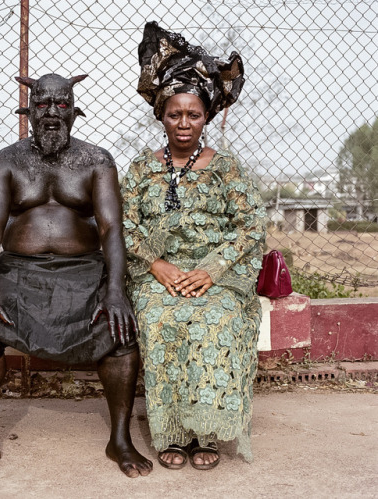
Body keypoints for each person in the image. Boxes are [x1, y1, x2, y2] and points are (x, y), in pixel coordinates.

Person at [0, 73, 153, 480]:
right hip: (18, 272)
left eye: (61, 105)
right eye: (42, 104)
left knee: (120, 333)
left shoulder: (96, 160)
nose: (51, 113)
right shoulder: (6, 161)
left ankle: (119, 439)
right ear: (28, 109)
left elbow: (113, 229)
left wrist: (116, 291)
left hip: (83, 271)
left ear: (74, 110)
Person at [120, 22, 267, 470]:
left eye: (194, 114)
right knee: (162, 319)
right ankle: (173, 434)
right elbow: (122, 226)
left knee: (215, 320)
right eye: (174, 114)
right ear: (161, 116)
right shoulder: (142, 169)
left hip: (216, 275)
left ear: (206, 117)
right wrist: (158, 266)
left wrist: (211, 271)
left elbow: (251, 227)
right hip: (156, 273)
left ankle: (207, 432)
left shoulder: (227, 168)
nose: (184, 123)